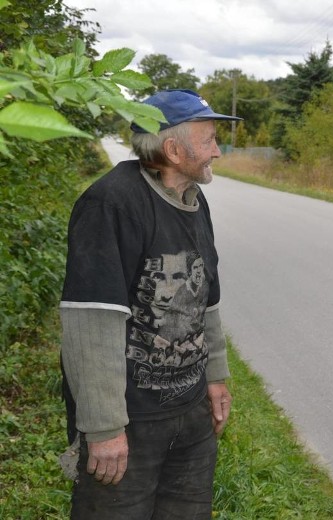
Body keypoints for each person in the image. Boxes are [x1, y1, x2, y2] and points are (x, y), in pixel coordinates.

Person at [59, 89, 240, 519]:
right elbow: (92, 323)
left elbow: (206, 302)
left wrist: (215, 377)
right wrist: (104, 428)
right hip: (130, 421)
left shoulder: (195, 201)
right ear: (173, 150)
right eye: (209, 139)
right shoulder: (111, 204)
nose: (217, 149)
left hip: (190, 414)